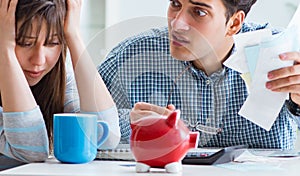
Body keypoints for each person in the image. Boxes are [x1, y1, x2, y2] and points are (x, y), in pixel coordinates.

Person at [98, 0, 300, 149]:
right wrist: (129, 124)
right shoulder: (133, 56)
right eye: (175, 4)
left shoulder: (282, 54)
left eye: (199, 12)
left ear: (234, 23)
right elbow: (84, 120)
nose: (177, 24)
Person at [0, 0, 120, 170]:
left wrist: (74, 36)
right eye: (25, 43)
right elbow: (33, 151)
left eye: (53, 43)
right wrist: (5, 50)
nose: (39, 60)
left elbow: (107, 137)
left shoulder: (59, 79)